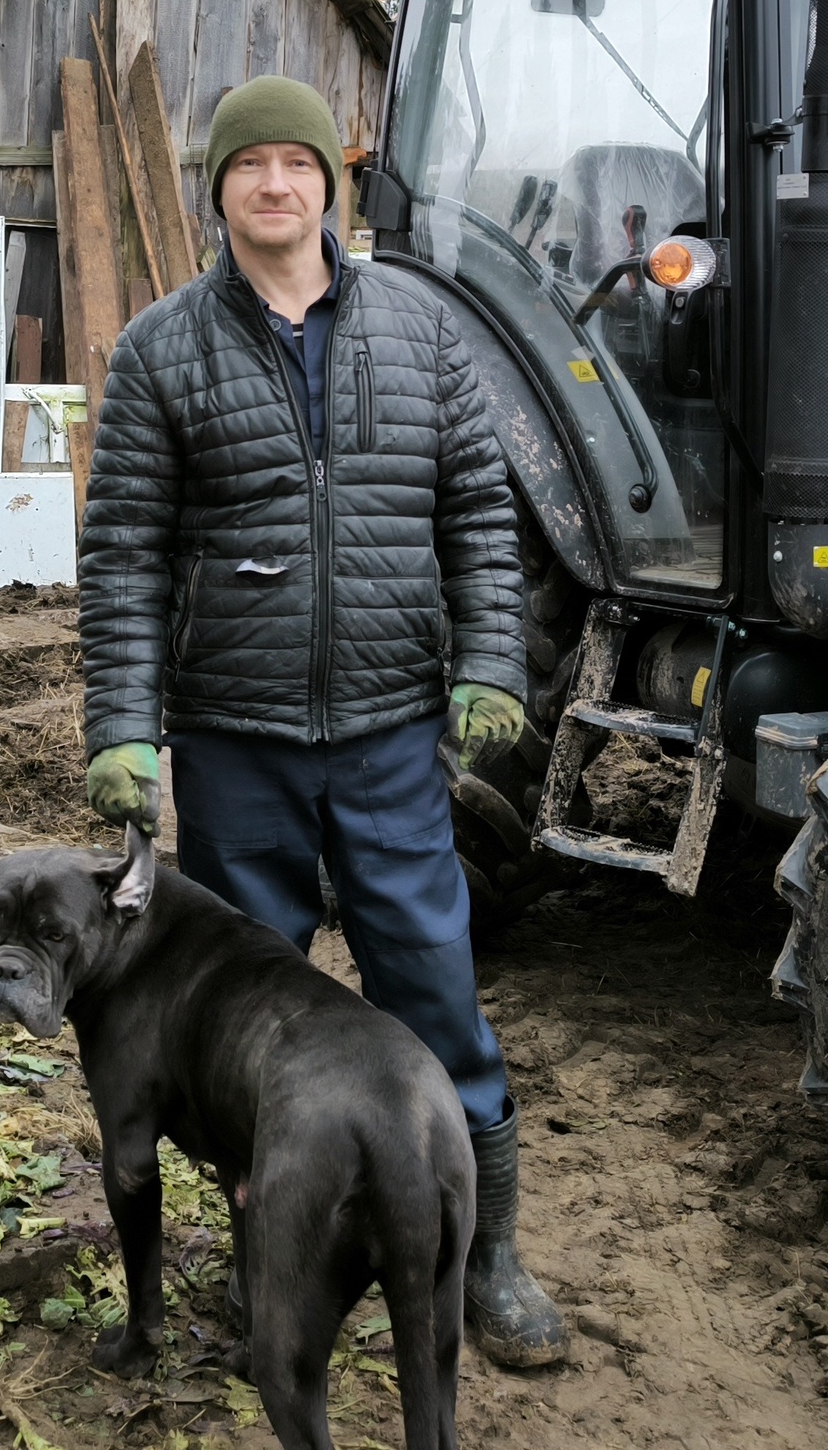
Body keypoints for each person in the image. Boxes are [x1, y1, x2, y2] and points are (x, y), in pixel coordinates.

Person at [76, 72, 568, 1370]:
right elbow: (124, 550)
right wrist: (123, 723)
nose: (275, 185)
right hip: (234, 742)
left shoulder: (417, 330)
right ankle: (272, 1262)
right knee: (251, 1027)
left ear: (326, 187)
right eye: (250, 166)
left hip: (393, 733)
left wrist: (492, 657)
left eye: (297, 163)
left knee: (433, 990)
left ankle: (487, 1259)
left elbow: (476, 506)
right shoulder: (161, 350)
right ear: (221, 188)